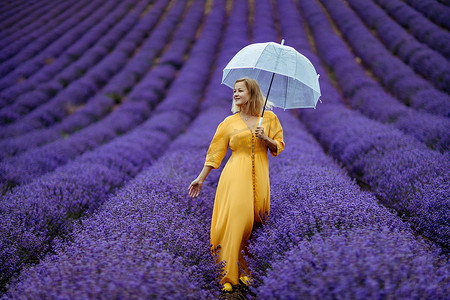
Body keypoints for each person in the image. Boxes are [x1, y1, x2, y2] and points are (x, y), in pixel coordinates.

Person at [188, 78, 285, 292]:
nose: (235, 94)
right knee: (238, 221)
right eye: (234, 91)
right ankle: (227, 276)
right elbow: (215, 152)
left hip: (260, 175)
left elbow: (279, 146)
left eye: (240, 90)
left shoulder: (269, 118)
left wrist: (266, 139)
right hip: (235, 176)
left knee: (256, 221)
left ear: (252, 93)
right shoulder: (228, 122)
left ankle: (247, 271)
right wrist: (200, 178)